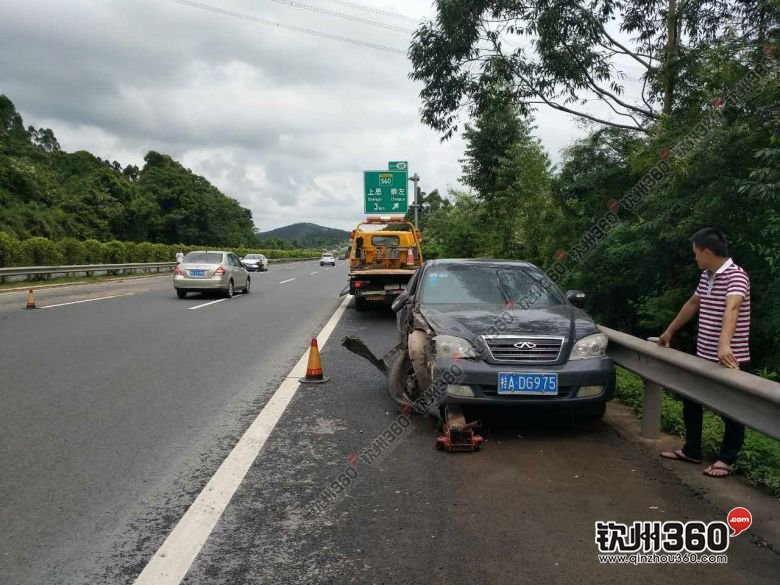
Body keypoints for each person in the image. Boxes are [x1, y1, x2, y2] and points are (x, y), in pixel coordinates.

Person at [658, 228, 751, 478]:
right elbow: (692, 304)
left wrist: (724, 345)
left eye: (696, 253)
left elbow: (732, 308)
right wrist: (669, 331)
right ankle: (692, 450)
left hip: (730, 358)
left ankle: (726, 459)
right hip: (703, 354)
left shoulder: (736, 276)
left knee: (731, 411)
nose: (695, 258)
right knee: (691, 401)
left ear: (707, 252)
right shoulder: (706, 276)